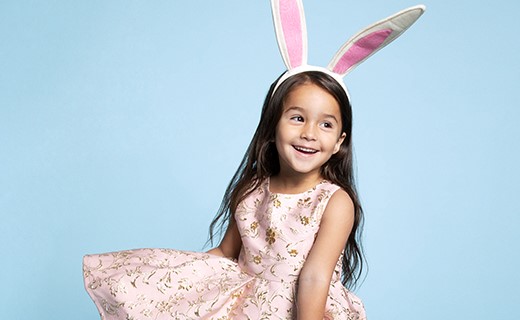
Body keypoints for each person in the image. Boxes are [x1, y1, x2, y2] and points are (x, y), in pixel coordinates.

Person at [83, 1, 425, 319]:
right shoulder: (252, 190)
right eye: (297, 118)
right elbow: (226, 253)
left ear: (339, 142)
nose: (309, 133)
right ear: (272, 125)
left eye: (325, 124)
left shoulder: (334, 202)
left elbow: (315, 277)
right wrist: (169, 280)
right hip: (246, 309)